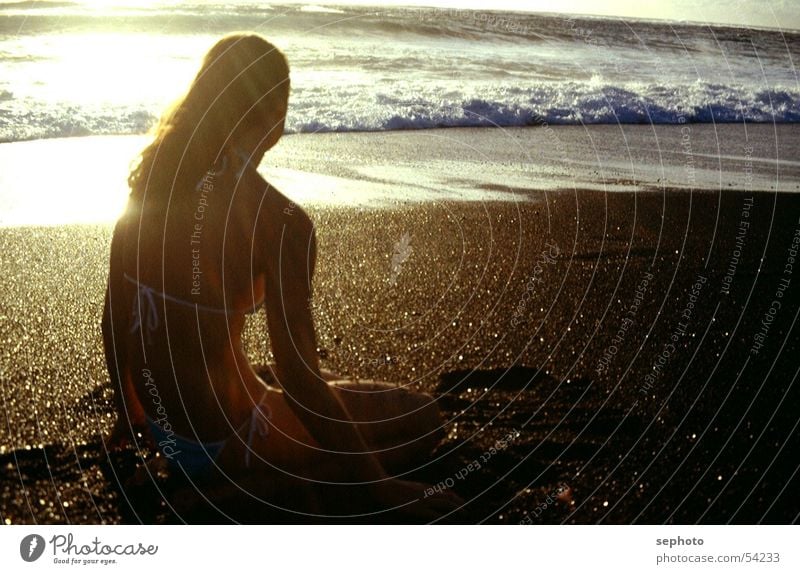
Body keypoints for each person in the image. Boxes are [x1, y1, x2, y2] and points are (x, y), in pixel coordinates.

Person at [101, 33, 460, 519]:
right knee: (420, 416)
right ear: (275, 120)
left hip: (169, 436)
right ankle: (270, 485)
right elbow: (300, 381)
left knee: (338, 384)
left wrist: (131, 417)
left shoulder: (148, 188)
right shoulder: (281, 223)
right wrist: (380, 490)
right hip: (233, 441)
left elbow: (114, 316)